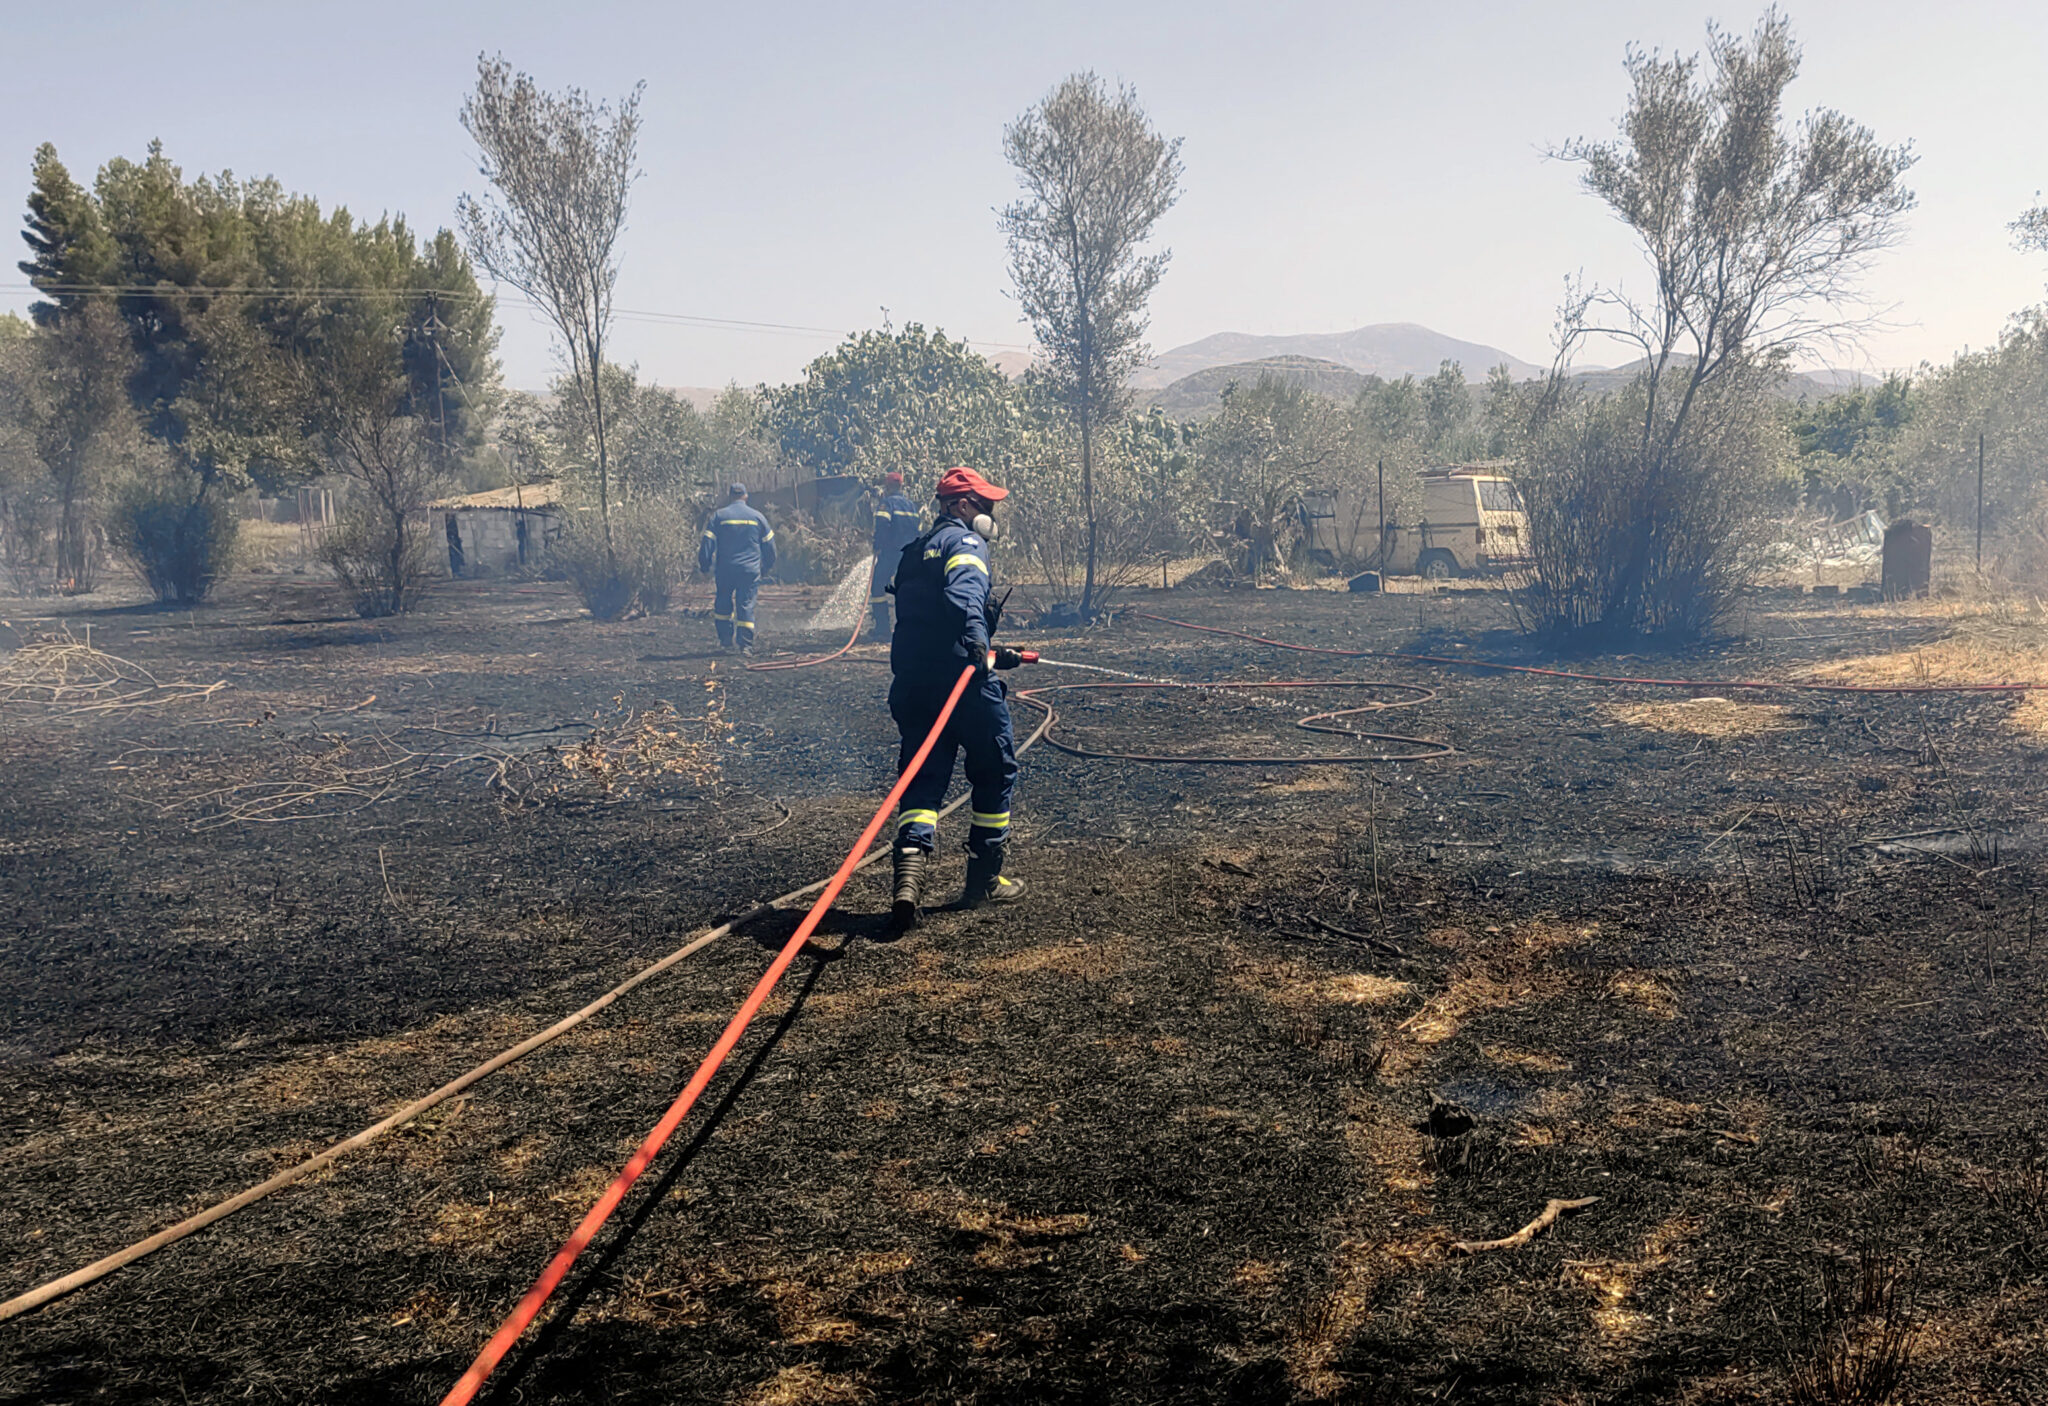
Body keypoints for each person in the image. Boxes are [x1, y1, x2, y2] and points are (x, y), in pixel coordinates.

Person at [887, 466, 1028, 927]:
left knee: (923, 779)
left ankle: (908, 882)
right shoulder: (966, 544)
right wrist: (976, 643)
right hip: (962, 683)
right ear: (962, 505)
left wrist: (989, 651)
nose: (990, 513)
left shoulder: (912, 552)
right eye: (985, 504)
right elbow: (965, 596)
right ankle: (984, 880)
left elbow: (925, 618)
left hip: (913, 683)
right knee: (995, 767)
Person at [696, 483, 775, 653]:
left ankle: (725, 642)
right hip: (749, 570)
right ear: (745, 496)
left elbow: (707, 544)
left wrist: (704, 566)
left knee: (723, 603)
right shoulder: (758, 517)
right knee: (745, 604)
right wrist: (767, 566)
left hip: (726, 570)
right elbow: (770, 547)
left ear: (730, 496)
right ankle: (745, 645)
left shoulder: (719, 516)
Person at [868, 471, 923, 642]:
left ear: (888, 486)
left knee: (878, 586)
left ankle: (882, 628)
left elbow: (882, 525)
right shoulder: (911, 505)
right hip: (910, 554)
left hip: (892, 552)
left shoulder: (887, 504)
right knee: (906, 589)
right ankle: (911, 628)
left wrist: (878, 544)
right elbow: (918, 530)